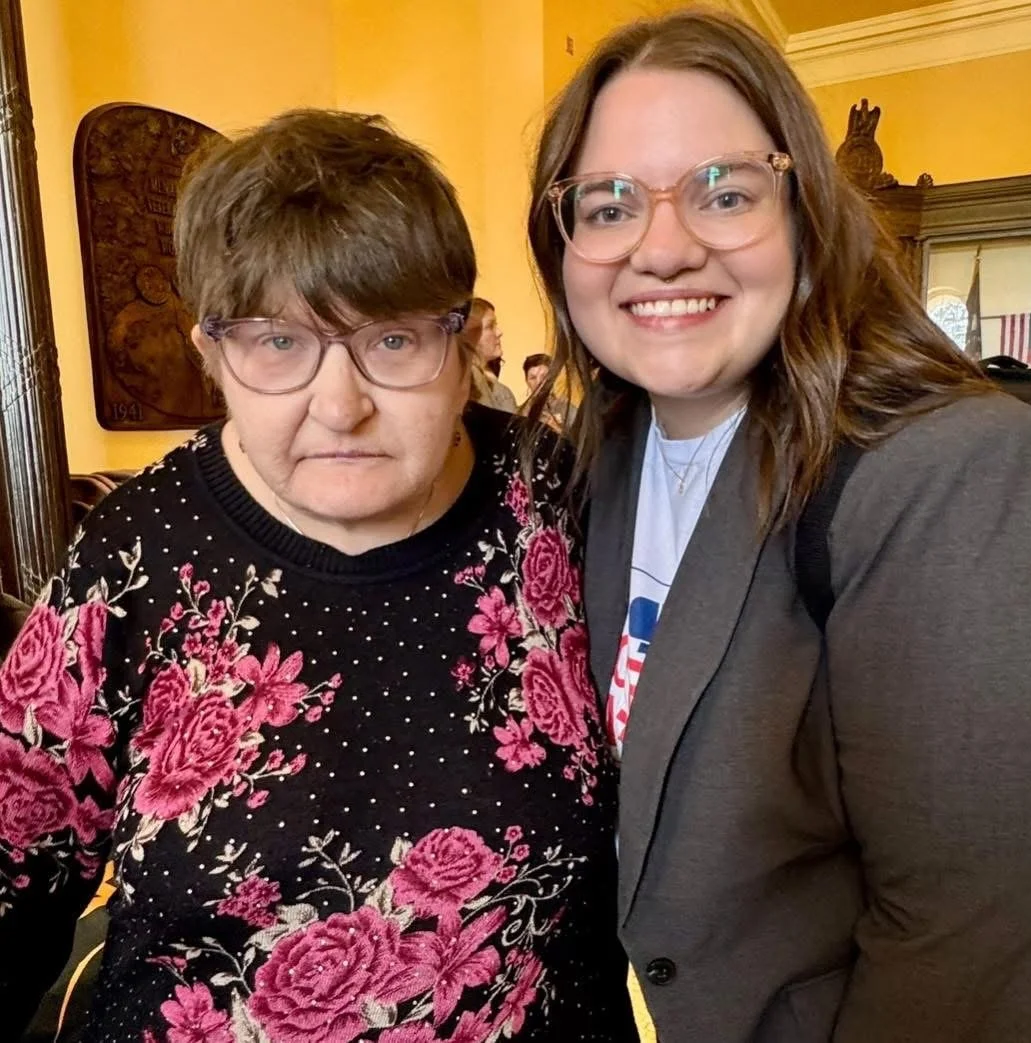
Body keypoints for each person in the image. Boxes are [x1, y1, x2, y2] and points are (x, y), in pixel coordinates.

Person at [527, 10, 1031, 1042]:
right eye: (607, 203)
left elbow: (975, 942)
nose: (663, 247)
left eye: (723, 192)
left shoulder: (951, 470)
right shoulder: (602, 457)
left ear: (804, 215)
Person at [0, 109, 638, 1043]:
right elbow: (14, 876)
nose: (340, 405)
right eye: (277, 343)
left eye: (391, 340)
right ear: (212, 356)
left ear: (464, 342)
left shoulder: (555, 499)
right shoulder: (137, 549)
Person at [466, 297, 519, 412]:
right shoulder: (472, 377)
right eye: (490, 326)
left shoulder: (483, 377)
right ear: (470, 335)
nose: (499, 332)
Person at [522, 353, 577, 431]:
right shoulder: (521, 413)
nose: (538, 382)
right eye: (533, 378)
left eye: (543, 376)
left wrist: (557, 429)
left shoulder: (567, 409)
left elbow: (583, 441)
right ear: (527, 381)